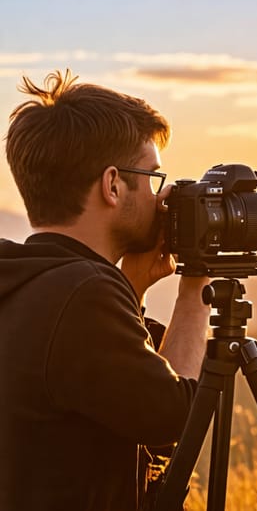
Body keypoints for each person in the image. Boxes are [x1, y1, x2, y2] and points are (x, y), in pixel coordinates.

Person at [0, 70, 211, 510]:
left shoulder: (25, 278)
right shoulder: (83, 294)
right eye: (152, 177)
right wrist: (195, 289)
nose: (160, 198)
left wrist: (130, 283)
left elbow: (89, 383)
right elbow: (170, 419)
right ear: (112, 184)